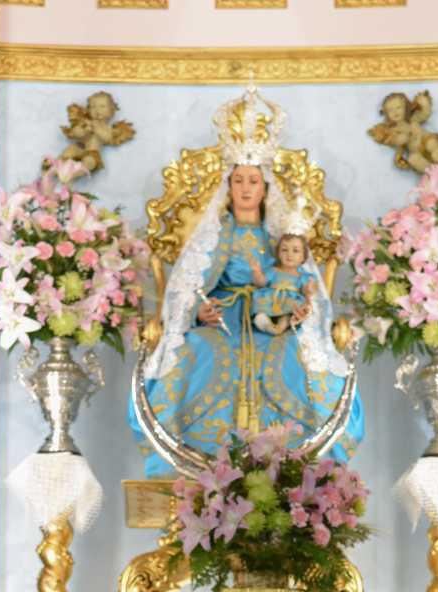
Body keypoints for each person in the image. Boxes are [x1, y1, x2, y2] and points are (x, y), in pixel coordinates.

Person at [132, 89, 363, 476]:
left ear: (264, 188)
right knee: (197, 349)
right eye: (238, 180)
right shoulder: (213, 236)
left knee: (293, 353)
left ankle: (289, 464)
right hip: (221, 317)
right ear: (229, 186)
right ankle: (205, 462)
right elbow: (187, 288)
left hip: (274, 316)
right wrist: (195, 313)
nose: (245, 188)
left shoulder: (281, 237)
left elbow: (304, 283)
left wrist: (301, 309)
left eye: (253, 180)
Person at [253, 233, 315, 336]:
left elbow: (306, 290)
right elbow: (261, 282)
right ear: (278, 253)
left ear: (303, 257)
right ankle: (263, 321)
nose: (289, 254)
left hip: (289, 302)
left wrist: (308, 291)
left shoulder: (302, 276)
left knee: (290, 313)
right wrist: (257, 272)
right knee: (261, 302)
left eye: (295, 251)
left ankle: (278, 328)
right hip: (271, 299)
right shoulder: (274, 270)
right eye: (284, 250)